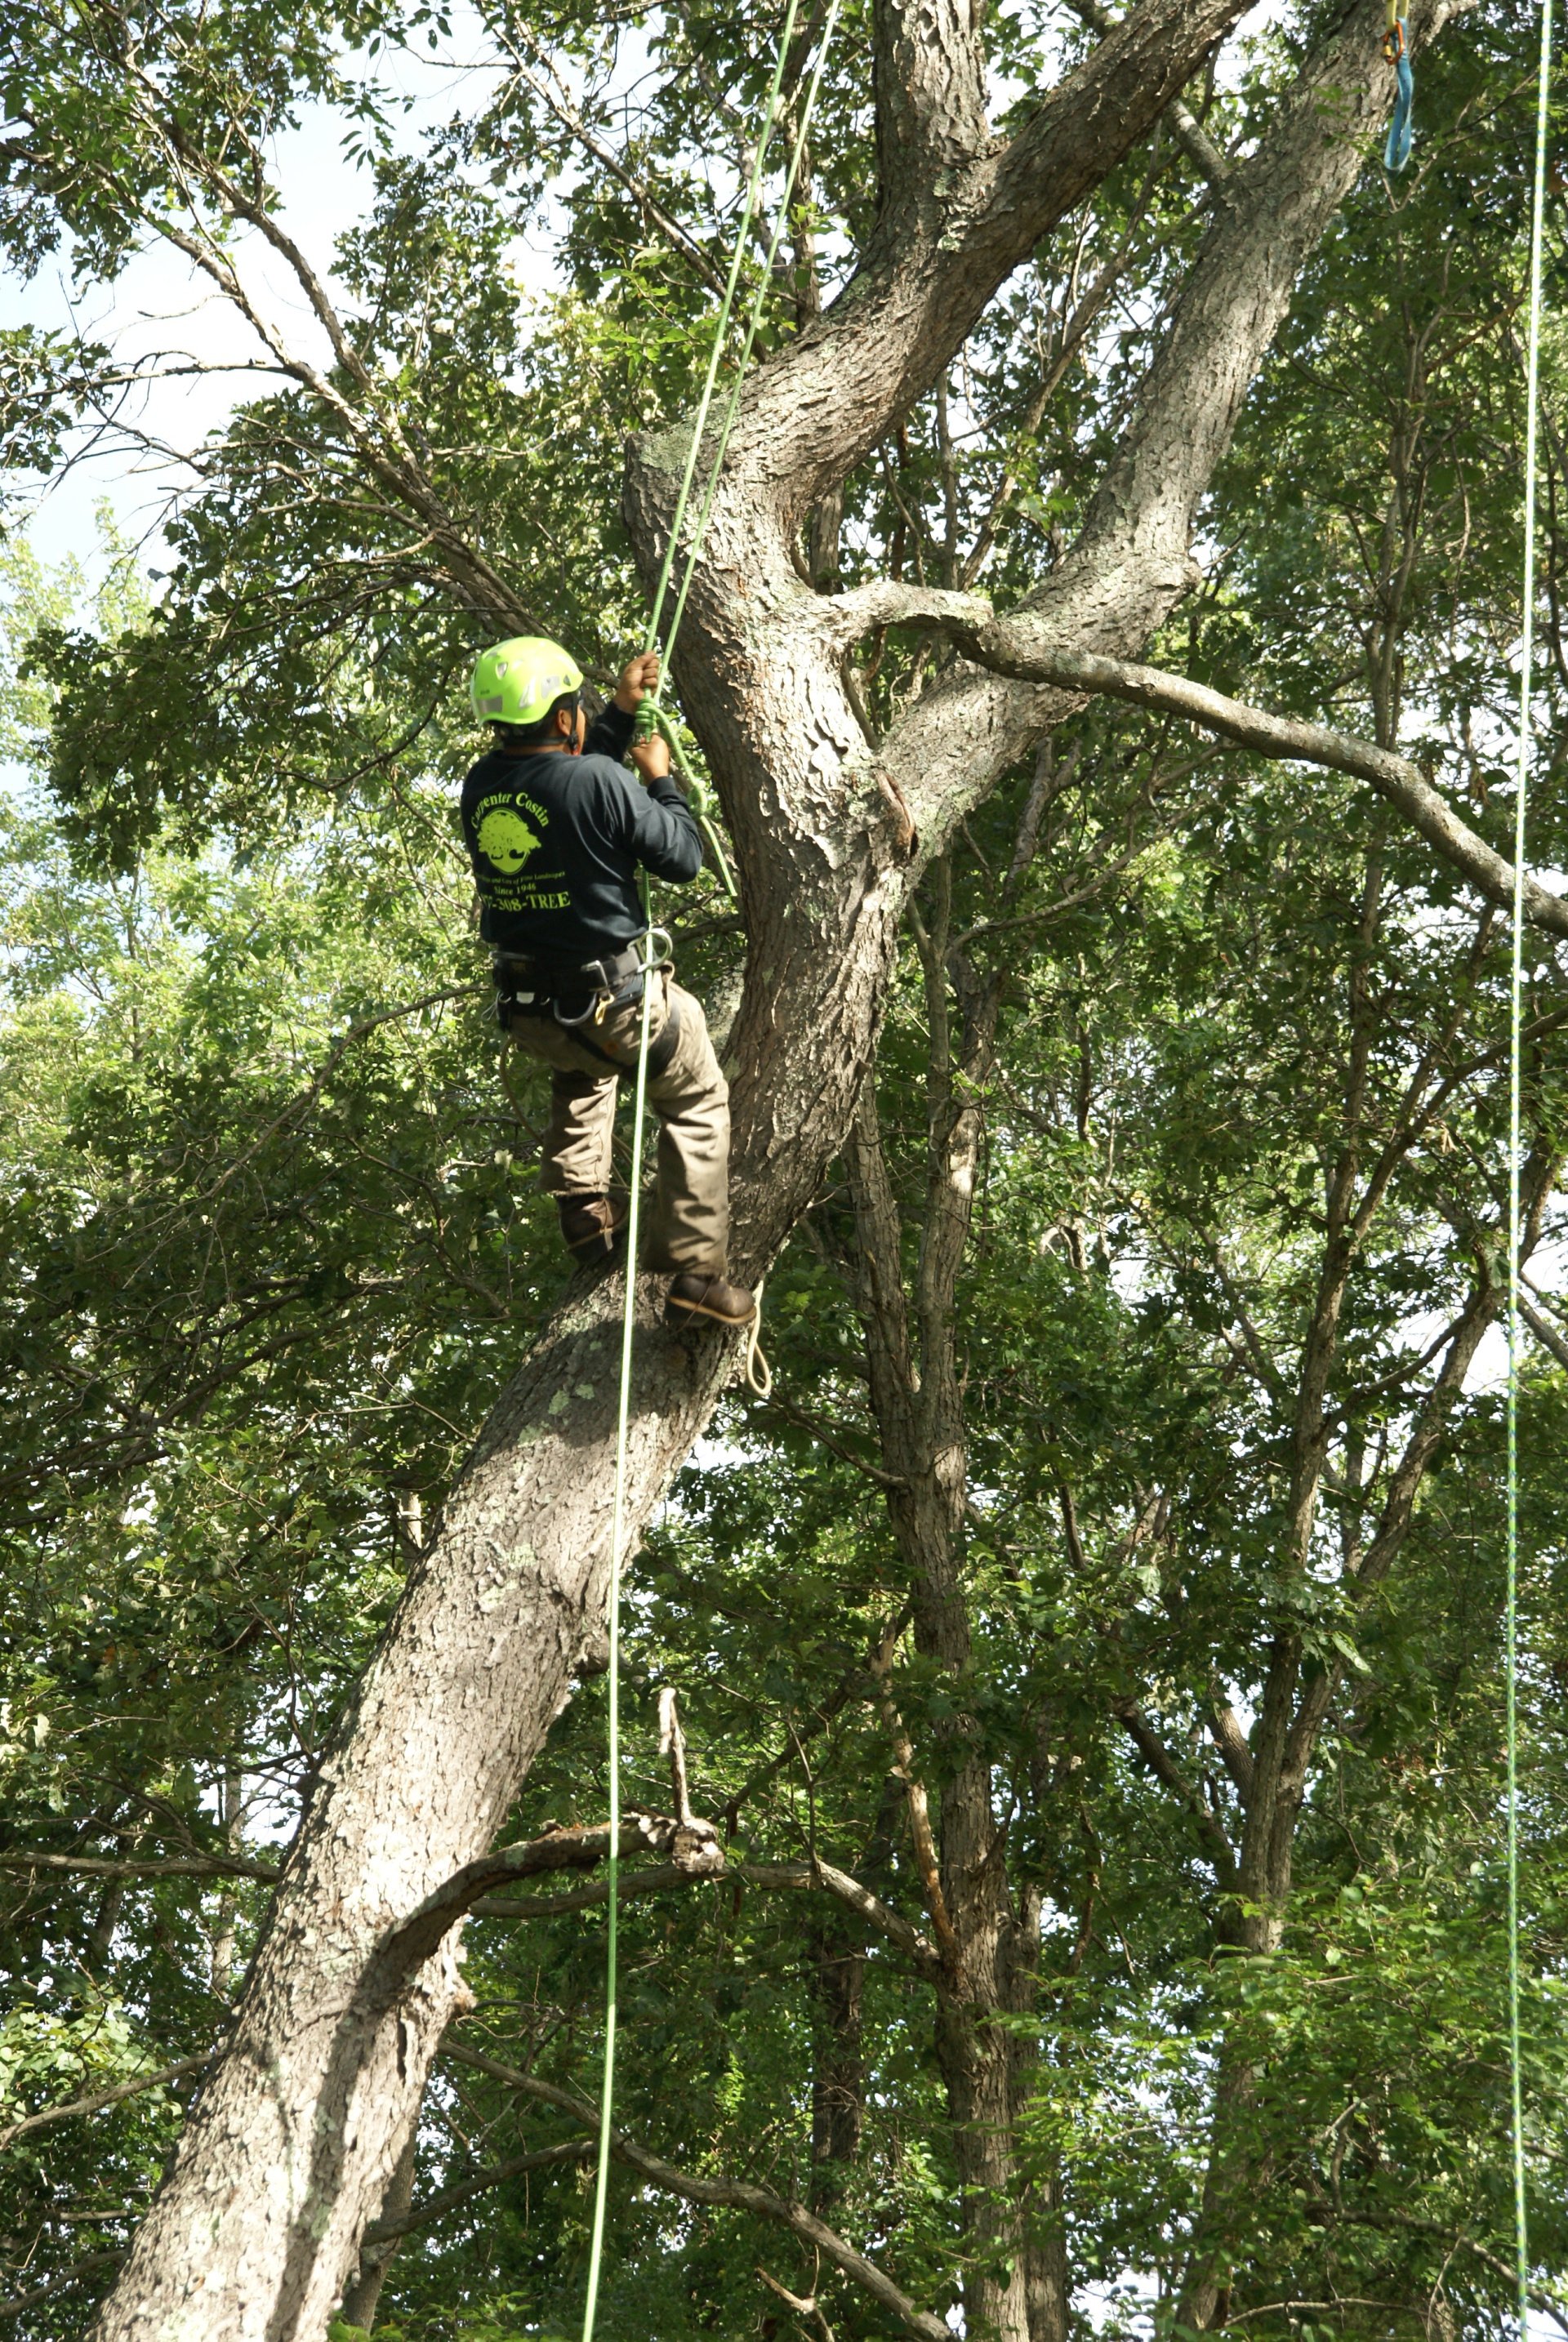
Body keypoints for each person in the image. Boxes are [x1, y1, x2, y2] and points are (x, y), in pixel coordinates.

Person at [461, 634, 755, 1329]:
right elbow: (681, 857)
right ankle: (696, 1275)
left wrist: (620, 713)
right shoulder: (599, 780)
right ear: (565, 720)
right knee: (696, 1093)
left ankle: (585, 1210)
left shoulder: (482, 785)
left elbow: (572, 786)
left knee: (587, 1064)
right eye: (581, 710)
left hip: (534, 1010)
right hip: (610, 1004)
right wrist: (659, 778)